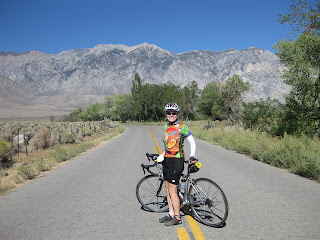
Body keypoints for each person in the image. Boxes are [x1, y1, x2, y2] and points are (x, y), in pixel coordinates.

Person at [156, 103, 197, 226]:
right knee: (167, 188)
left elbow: (192, 142)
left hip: (177, 161)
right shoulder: (165, 127)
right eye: (169, 113)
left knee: (173, 190)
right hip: (167, 160)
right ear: (166, 115)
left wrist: (192, 155)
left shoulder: (182, 127)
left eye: (174, 113)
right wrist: (162, 155)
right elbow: (168, 146)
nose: (171, 115)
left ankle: (178, 217)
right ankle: (171, 213)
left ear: (178, 114)